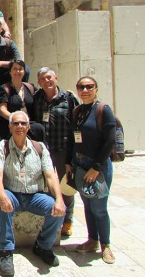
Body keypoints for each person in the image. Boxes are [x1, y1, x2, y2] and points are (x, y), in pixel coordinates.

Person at [0, 111, 66, 277]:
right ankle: (6, 251)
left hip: (34, 196)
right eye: (16, 124)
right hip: (13, 194)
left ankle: (43, 246)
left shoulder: (39, 148)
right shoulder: (3, 146)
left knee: (59, 209)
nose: (20, 127)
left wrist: (59, 199)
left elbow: (50, 176)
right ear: (10, 127)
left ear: (28, 126)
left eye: (23, 124)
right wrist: (2, 195)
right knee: (1, 203)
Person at [67, 76, 116, 264]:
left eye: (89, 87)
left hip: (98, 166)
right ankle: (92, 239)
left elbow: (109, 141)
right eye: (81, 87)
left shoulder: (103, 110)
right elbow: (72, 138)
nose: (85, 90)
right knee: (87, 205)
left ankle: (106, 246)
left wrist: (96, 167)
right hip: (80, 164)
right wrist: (69, 162)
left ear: (96, 89)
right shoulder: (77, 111)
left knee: (99, 208)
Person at [34, 67, 78, 237]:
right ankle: (52, 217)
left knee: (65, 186)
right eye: (43, 79)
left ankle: (68, 220)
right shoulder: (37, 98)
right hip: (43, 149)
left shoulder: (68, 99)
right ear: (39, 82)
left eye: (49, 77)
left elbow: (76, 124)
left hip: (62, 148)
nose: (47, 81)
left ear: (56, 78)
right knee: (46, 185)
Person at [0, 60, 45, 142]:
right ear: (10, 71)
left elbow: (44, 94)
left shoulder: (30, 87)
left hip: (28, 124)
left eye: (20, 69)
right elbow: (2, 110)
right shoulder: (4, 88)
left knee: (39, 128)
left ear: (24, 71)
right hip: (12, 125)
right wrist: (17, 120)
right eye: (15, 69)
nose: (17, 71)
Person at [0, 19, 24, 88]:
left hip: (6, 73)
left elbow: (19, 61)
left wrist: (1, 63)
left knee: (26, 69)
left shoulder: (9, 43)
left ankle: (21, 90)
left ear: (1, 30)